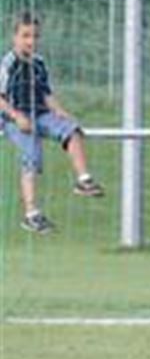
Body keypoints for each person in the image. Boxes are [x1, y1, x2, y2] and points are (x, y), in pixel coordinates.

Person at [0, 12, 104, 234]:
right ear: (15, 37)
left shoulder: (39, 63)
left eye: (35, 36)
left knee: (72, 130)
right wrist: (16, 116)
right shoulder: (8, 63)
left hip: (40, 113)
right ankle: (31, 214)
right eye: (26, 36)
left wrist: (61, 112)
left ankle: (84, 180)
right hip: (14, 117)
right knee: (32, 151)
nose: (31, 41)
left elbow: (46, 94)